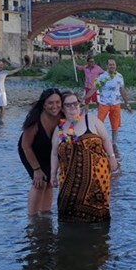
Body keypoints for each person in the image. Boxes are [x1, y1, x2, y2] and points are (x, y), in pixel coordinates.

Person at [50, 91, 119, 222]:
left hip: (97, 179)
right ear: (62, 108)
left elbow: (105, 140)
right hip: (68, 180)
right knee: (68, 215)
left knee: (99, 218)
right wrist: (52, 175)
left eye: (75, 104)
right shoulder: (59, 129)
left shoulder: (90, 119)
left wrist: (112, 157)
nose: (73, 107)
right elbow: (54, 154)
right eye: (68, 105)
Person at [18, 88, 63, 216]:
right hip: (30, 149)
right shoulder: (35, 120)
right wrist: (36, 169)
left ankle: (45, 213)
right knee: (39, 182)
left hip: (50, 150)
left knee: (49, 181)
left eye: (57, 102)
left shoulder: (63, 116)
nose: (55, 106)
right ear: (43, 104)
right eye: (50, 103)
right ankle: (32, 218)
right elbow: (26, 146)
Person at [87, 59, 132, 147]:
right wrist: (84, 98)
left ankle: (114, 143)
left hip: (116, 104)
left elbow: (122, 90)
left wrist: (127, 104)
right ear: (107, 66)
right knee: (99, 123)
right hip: (104, 104)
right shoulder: (102, 77)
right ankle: (98, 141)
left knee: (115, 126)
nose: (112, 66)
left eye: (113, 64)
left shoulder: (119, 76)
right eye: (110, 65)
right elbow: (94, 89)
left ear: (116, 66)